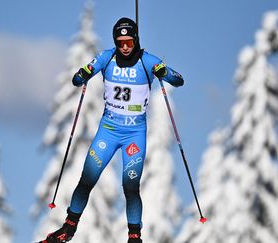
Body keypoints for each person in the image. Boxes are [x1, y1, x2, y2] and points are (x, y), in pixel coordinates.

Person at [40, 17, 184, 243]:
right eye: (120, 42)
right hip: (108, 130)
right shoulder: (107, 58)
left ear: (135, 40)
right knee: (87, 179)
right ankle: (68, 227)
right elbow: (78, 78)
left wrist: (164, 72)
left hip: (134, 134)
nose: (125, 47)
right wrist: (82, 75)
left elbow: (178, 80)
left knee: (130, 187)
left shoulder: (147, 61)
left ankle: (134, 236)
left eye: (129, 42)